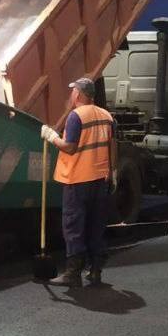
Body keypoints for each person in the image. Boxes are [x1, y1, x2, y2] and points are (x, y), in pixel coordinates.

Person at [40, 77, 117, 288]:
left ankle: (72, 273)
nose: (71, 95)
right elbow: (112, 145)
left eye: (72, 91)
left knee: (74, 226)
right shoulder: (106, 116)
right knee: (96, 225)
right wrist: (113, 171)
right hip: (100, 179)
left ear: (79, 94)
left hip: (78, 180)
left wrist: (52, 137)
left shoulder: (76, 116)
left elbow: (70, 147)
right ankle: (95, 270)